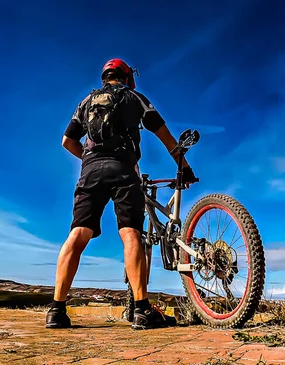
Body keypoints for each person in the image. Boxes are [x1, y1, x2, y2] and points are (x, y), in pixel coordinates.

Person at [46, 58, 198, 330]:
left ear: (105, 77)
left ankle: (56, 310)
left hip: (90, 171)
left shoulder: (86, 102)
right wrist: (184, 168)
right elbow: (166, 137)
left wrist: (88, 161)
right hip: (124, 168)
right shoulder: (136, 98)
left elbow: (67, 141)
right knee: (130, 233)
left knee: (78, 232)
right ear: (128, 77)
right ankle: (142, 310)